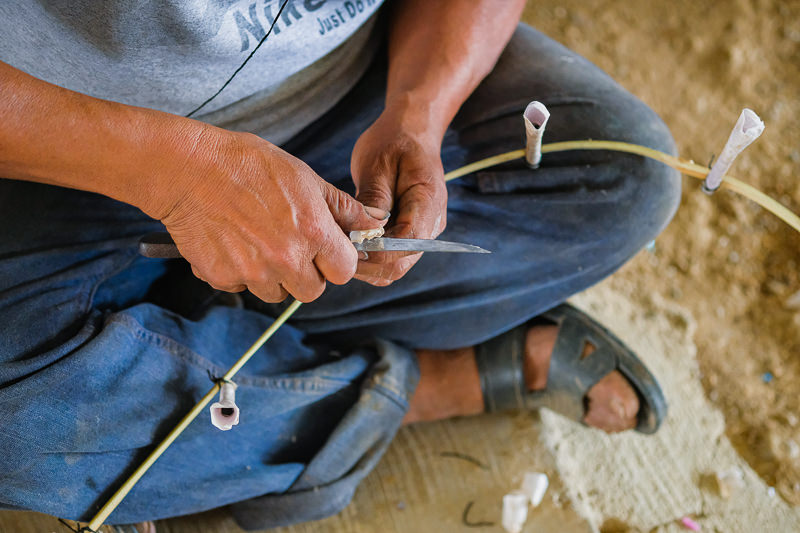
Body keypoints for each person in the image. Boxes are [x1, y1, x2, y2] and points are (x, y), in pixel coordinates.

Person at [0, 0, 680, 531]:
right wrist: (175, 173)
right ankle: (421, 384)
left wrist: (420, 112)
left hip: (346, 101)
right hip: (62, 150)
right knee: (16, 423)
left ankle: (199, 359)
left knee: (625, 178)